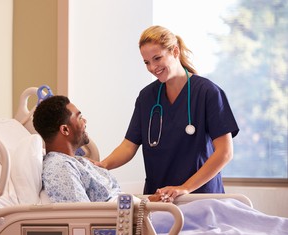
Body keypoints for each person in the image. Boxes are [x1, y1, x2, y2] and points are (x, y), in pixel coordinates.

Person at [99, 25, 239, 202]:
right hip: (159, 199)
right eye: (147, 62)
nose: (152, 67)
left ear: (175, 51)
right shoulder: (147, 97)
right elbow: (128, 146)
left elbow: (225, 152)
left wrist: (185, 188)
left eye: (157, 58)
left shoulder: (207, 93)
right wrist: (103, 165)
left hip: (201, 198)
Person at [32, 95, 121, 203]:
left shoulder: (75, 162)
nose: (85, 121)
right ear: (65, 129)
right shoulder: (60, 168)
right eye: (80, 117)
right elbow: (81, 216)